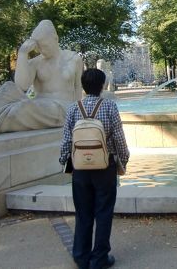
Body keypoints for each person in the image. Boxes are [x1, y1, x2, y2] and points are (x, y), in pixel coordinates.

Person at [60, 68, 130, 269]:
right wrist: (123, 161)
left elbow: (66, 140)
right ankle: (99, 258)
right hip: (104, 166)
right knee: (104, 212)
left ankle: (81, 256)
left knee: (83, 213)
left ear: (83, 86)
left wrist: (65, 162)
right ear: (102, 86)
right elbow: (118, 138)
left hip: (80, 168)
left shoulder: (74, 108)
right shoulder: (109, 107)